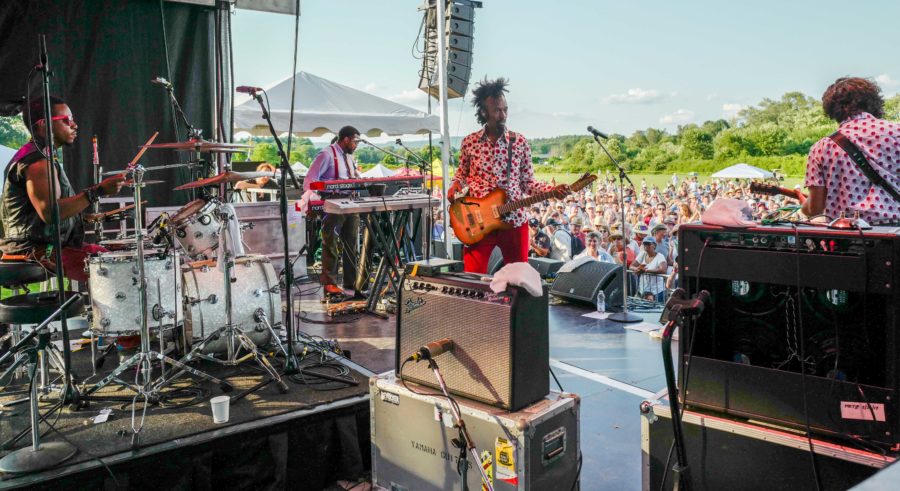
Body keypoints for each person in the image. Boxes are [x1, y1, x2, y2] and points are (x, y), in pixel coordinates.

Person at [448, 77, 567, 273]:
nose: (503, 115)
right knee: (472, 278)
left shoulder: (519, 142)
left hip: (514, 220)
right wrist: (455, 184)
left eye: (505, 109)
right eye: (497, 110)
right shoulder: (470, 142)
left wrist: (552, 190)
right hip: (479, 223)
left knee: (518, 277)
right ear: (484, 112)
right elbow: (461, 174)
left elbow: (528, 183)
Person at [0, 96, 125, 283]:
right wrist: (97, 191)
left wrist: (80, 218)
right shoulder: (38, 163)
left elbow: (37, 216)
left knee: (114, 259)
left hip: (45, 245)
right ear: (44, 124)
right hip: (35, 251)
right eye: (66, 120)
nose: (74, 125)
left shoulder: (41, 156)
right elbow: (50, 213)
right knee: (118, 270)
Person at [802, 77, 900, 225]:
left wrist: (805, 207)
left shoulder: (821, 147)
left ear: (831, 110)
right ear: (873, 102)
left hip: (848, 233)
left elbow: (815, 209)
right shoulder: (896, 133)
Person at [304, 125, 362, 296]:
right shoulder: (326, 154)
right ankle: (330, 284)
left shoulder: (349, 157)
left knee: (351, 243)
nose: (357, 145)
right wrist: (311, 203)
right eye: (355, 141)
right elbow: (310, 180)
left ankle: (352, 283)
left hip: (350, 202)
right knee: (331, 244)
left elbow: (352, 178)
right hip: (332, 202)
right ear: (346, 139)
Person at [630, 236, 668, 302]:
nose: (646, 246)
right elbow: (631, 266)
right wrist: (637, 269)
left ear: (654, 245)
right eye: (644, 244)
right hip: (643, 290)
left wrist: (646, 271)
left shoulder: (660, 256)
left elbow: (663, 270)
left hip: (657, 291)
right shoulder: (642, 254)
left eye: (648, 244)